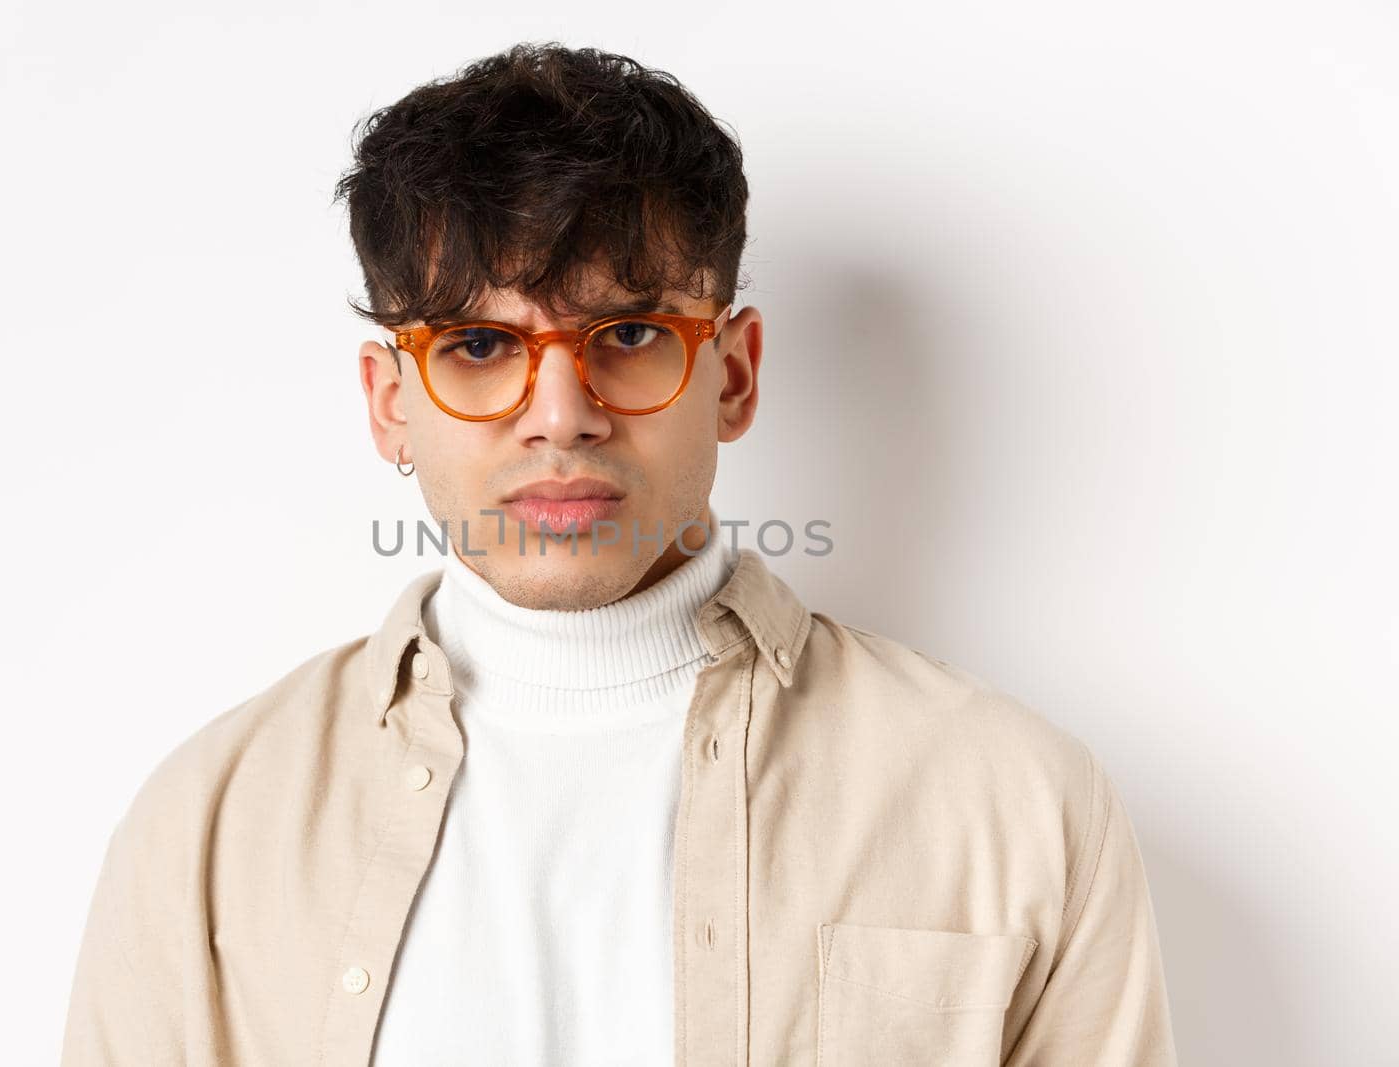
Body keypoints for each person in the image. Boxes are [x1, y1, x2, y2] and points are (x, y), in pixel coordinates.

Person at [61, 41, 1178, 1066]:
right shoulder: (210, 824)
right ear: (390, 404)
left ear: (732, 374)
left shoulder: (1016, 802)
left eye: (630, 335)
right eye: (480, 345)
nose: (560, 414)